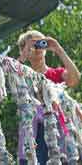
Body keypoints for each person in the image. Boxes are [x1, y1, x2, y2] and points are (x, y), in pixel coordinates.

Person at [17, 30, 81, 164]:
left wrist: (58, 49)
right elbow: (13, 76)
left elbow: (74, 79)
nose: (37, 48)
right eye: (33, 44)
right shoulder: (23, 76)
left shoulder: (55, 73)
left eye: (41, 43)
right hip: (36, 134)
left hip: (60, 132)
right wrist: (24, 53)